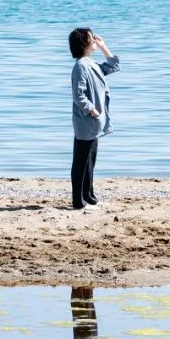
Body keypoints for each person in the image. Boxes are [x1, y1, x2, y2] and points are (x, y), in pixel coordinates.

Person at [68, 28, 120, 209]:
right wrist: (91, 110)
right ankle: (77, 200)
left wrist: (104, 47)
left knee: (91, 158)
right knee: (81, 160)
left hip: (95, 122)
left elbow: (114, 66)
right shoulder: (80, 66)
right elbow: (78, 95)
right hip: (86, 120)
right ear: (84, 44)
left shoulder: (92, 64)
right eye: (92, 39)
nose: (94, 41)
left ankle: (88, 194)